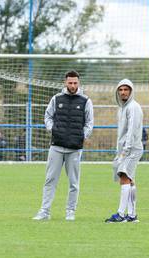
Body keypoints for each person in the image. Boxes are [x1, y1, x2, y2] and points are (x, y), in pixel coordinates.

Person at [32, 70, 94, 221]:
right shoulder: (56, 98)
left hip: (75, 148)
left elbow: (89, 122)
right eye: (70, 82)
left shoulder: (86, 101)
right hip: (56, 146)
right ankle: (44, 211)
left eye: (75, 83)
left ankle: (70, 211)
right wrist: (52, 129)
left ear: (78, 83)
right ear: (65, 83)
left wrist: (82, 136)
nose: (72, 85)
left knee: (74, 182)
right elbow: (48, 116)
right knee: (50, 180)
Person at [105, 79, 143, 223]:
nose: (123, 92)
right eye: (120, 90)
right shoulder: (122, 108)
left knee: (124, 177)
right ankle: (132, 215)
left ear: (131, 91)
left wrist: (125, 151)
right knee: (130, 179)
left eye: (126, 89)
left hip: (132, 149)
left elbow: (132, 130)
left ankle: (121, 214)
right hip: (127, 149)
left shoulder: (133, 107)